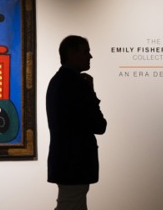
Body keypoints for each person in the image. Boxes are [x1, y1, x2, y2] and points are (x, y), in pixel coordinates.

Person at [47, 35, 107, 210]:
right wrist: (91, 92)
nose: (90, 56)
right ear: (72, 54)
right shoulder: (76, 84)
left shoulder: (58, 80)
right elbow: (99, 125)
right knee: (72, 204)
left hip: (66, 161)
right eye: (86, 52)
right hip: (75, 162)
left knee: (71, 203)